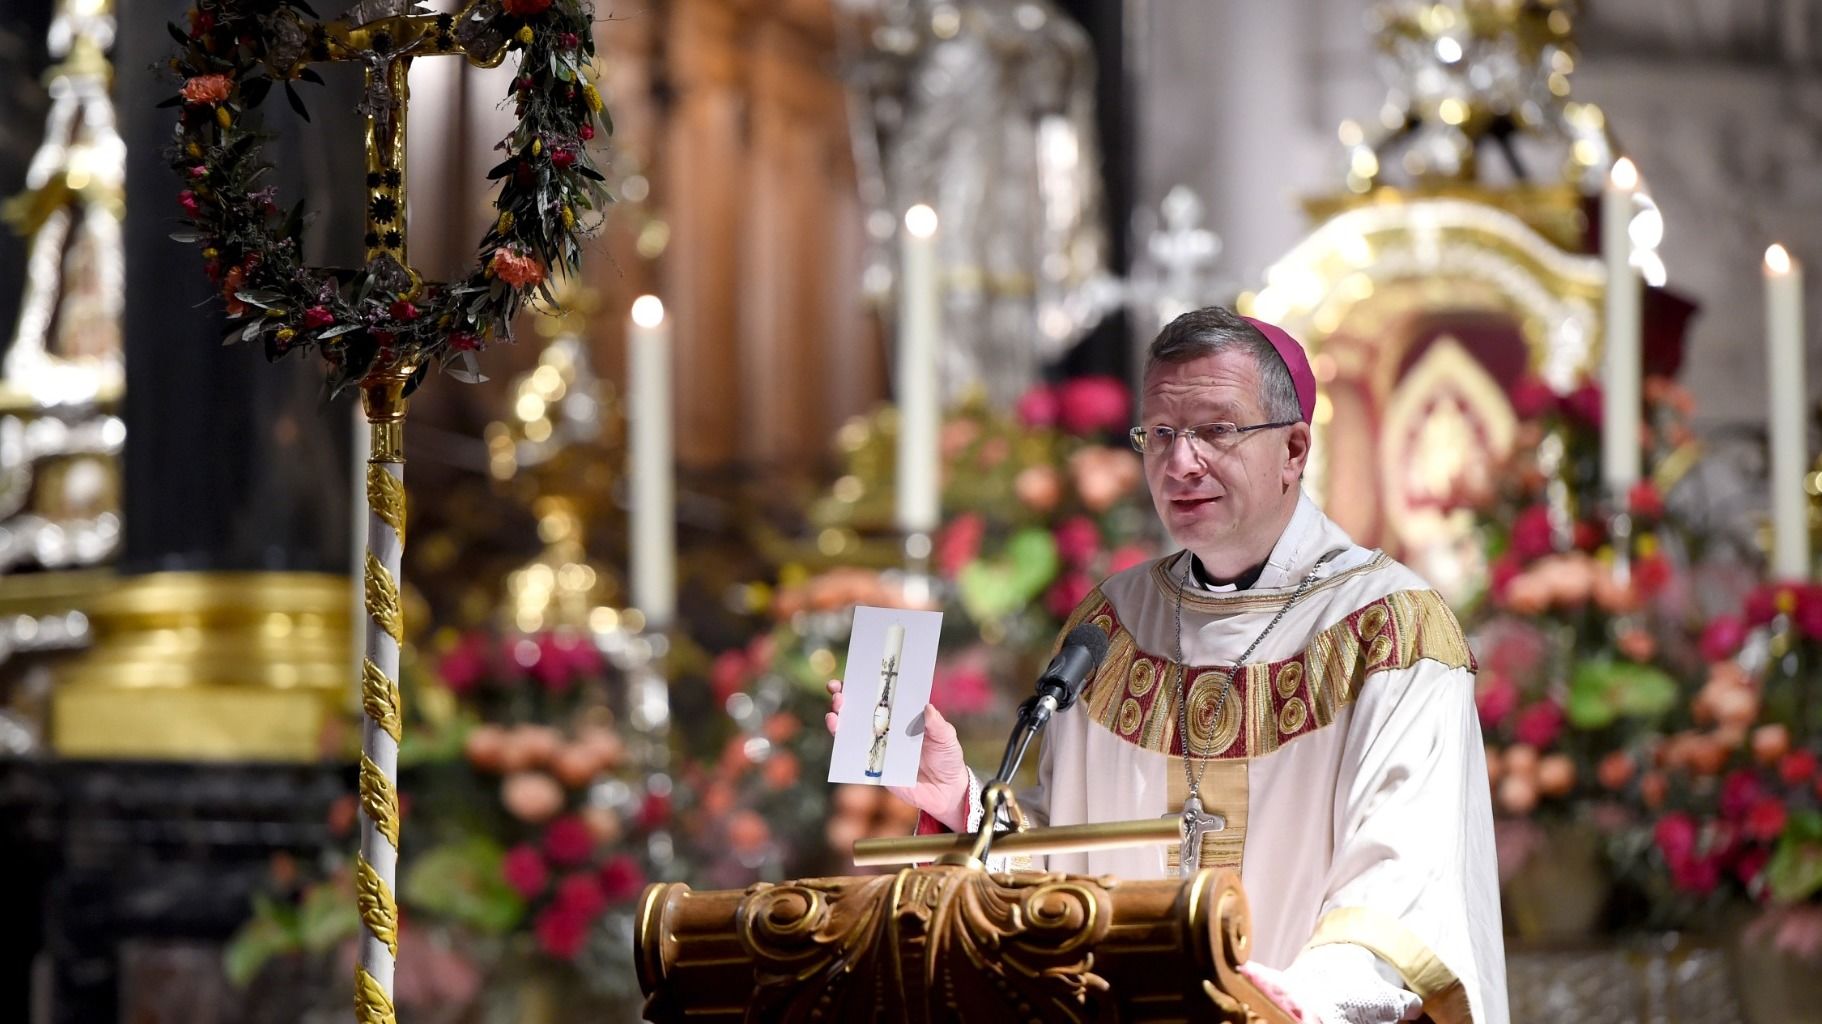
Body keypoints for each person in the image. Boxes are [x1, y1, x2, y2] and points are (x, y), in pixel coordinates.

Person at [827, 306, 1506, 1024]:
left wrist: (1286, 1002)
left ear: (1296, 448)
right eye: (1160, 434)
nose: (1180, 464)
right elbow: (1066, 877)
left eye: (1216, 430)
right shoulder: (1113, 624)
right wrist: (958, 797)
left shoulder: (1390, 628)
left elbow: (1404, 874)